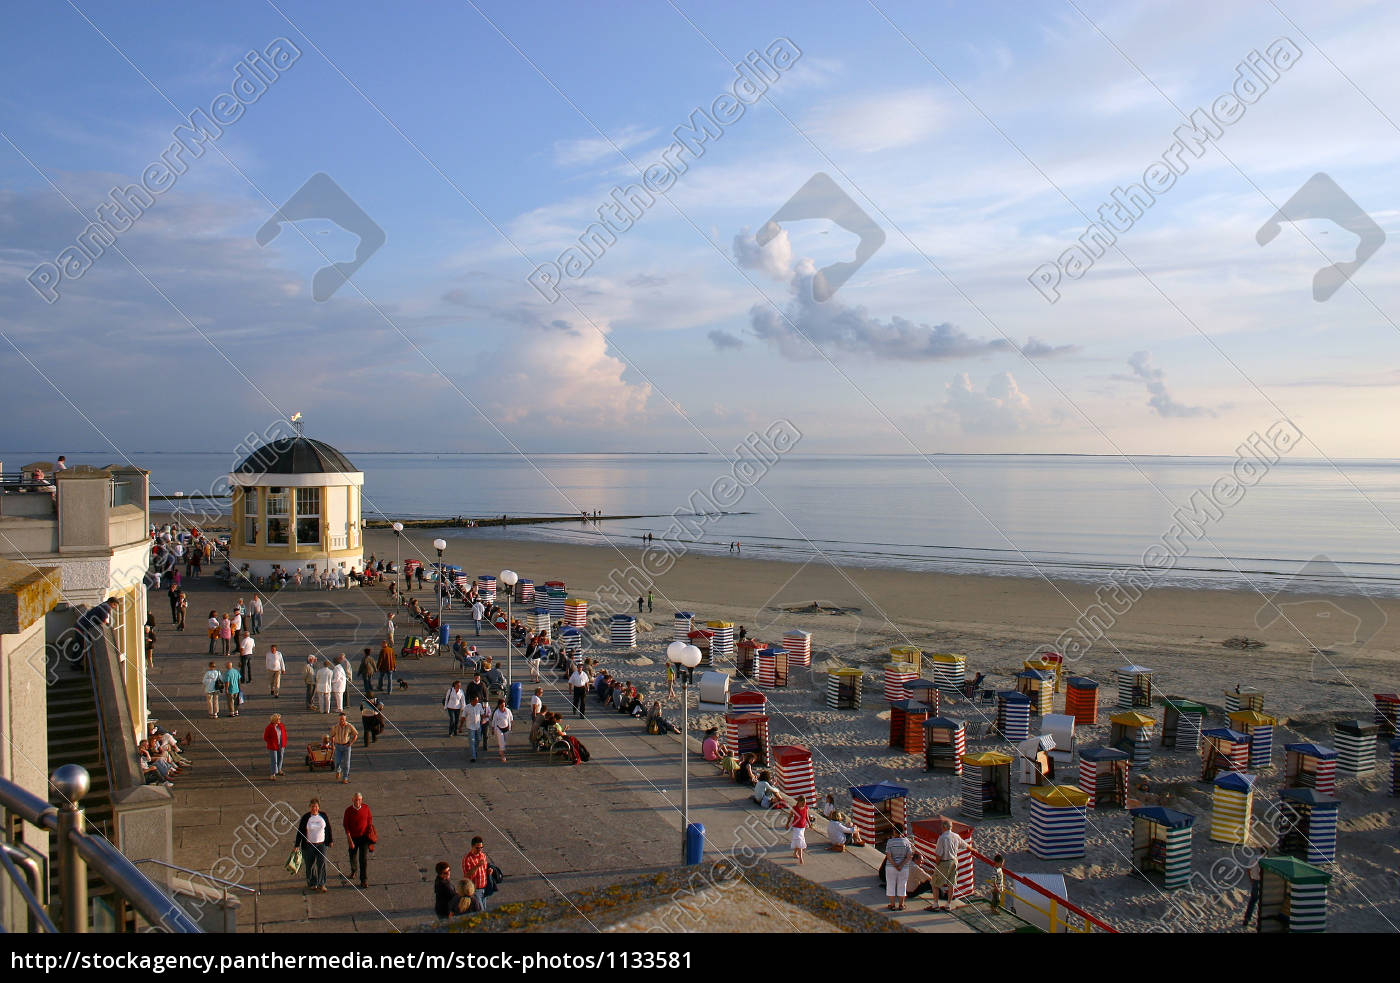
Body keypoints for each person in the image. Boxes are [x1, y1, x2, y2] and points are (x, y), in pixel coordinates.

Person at [927, 819, 967, 912]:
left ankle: (935, 904)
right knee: (951, 884)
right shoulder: (956, 836)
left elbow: (939, 854)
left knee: (935, 883)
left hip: (945, 862)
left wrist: (937, 864)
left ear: (944, 827)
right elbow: (963, 845)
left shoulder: (942, 838)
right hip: (954, 861)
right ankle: (948, 905)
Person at [295, 798, 333, 893]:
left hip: (321, 844)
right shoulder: (305, 817)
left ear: (319, 807)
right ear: (309, 807)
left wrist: (330, 840)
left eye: (316, 806)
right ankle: (312, 883)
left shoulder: (323, 815)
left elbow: (328, 828)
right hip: (308, 845)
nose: (314, 808)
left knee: (322, 864)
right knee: (310, 865)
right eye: (312, 807)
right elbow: (300, 832)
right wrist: (296, 845)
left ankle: (322, 884)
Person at [343, 792, 374, 890]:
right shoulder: (348, 811)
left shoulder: (366, 808)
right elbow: (346, 825)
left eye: (359, 799)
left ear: (362, 800)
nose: (358, 801)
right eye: (356, 799)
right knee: (352, 855)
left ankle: (363, 880)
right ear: (353, 800)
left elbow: (369, 820)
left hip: (364, 837)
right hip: (353, 837)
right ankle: (354, 869)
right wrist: (349, 839)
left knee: (363, 859)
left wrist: (369, 834)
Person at [884, 828, 914, 911]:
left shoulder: (890, 842)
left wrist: (895, 865)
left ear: (894, 831)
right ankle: (901, 904)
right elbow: (909, 856)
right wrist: (901, 865)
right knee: (902, 885)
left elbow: (888, 856)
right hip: (903, 868)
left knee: (891, 884)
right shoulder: (907, 842)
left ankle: (892, 904)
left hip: (891, 867)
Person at [461, 837, 490, 910]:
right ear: (472, 846)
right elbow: (466, 875)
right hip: (475, 890)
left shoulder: (483, 855)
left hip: (484, 888)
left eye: (481, 848)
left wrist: (488, 872)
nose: (479, 850)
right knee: (481, 910)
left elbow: (484, 869)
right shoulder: (467, 859)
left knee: (484, 909)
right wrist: (477, 866)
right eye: (477, 848)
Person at [331, 713, 358, 783]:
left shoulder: (349, 726)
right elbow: (332, 736)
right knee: (337, 762)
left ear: (345, 719)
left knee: (346, 763)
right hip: (338, 746)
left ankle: (345, 777)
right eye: (340, 719)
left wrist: (351, 743)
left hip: (346, 746)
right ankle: (338, 770)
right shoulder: (335, 727)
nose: (341, 721)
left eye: (343, 719)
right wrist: (333, 745)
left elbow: (355, 735)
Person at [787, 795, 810, 865]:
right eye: (803, 803)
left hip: (802, 828)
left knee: (799, 842)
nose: (804, 804)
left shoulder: (806, 808)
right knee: (800, 842)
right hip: (796, 828)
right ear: (799, 802)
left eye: (805, 803)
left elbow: (806, 817)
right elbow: (790, 816)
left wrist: (810, 824)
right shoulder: (794, 808)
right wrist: (787, 824)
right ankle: (801, 858)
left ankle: (795, 853)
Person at [1243, 848, 1263, 927]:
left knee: (1253, 900)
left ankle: (1247, 918)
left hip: (1255, 881)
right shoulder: (1267, 860)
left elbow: (1248, 868)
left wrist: (1251, 878)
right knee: (1262, 902)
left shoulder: (1254, 858)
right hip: (1263, 882)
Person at [263, 713, 287, 780]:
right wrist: (271, 742)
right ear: (274, 720)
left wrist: (284, 741)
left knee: (280, 757)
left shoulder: (281, 725)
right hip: (273, 745)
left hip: (281, 744)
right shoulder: (269, 727)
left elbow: (284, 733)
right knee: (274, 760)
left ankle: (279, 769)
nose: (279, 720)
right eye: (278, 719)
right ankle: (273, 773)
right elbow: (266, 737)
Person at [489, 698, 513, 763]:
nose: (503, 707)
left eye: (504, 705)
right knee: (501, 742)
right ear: (499, 705)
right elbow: (494, 721)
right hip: (499, 729)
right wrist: (493, 729)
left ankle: (501, 750)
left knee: (504, 742)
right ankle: (502, 756)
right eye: (502, 705)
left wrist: (511, 726)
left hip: (507, 728)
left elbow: (511, 718)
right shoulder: (496, 712)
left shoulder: (508, 711)